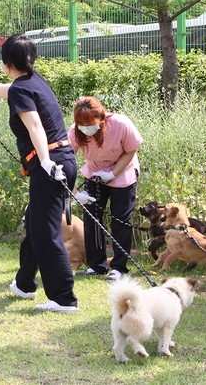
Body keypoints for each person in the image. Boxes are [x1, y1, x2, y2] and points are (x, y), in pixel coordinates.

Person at [0, 34, 91, 313]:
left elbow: (35, 125)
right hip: (61, 160)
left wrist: (45, 161)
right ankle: (25, 284)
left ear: (5, 63)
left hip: (50, 164)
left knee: (46, 233)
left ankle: (64, 299)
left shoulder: (22, 89)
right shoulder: (32, 81)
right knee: (36, 225)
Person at [68, 96, 143, 282]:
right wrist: (76, 193)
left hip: (122, 171)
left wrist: (113, 173)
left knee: (120, 219)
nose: (86, 129)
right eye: (82, 125)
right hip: (95, 172)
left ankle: (119, 267)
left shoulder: (120, 124)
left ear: (101, 117)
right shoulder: (75, 132)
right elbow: (65, 161)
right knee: (92, 218)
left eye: (90, 124)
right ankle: (97, 265)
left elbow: (131, 151)